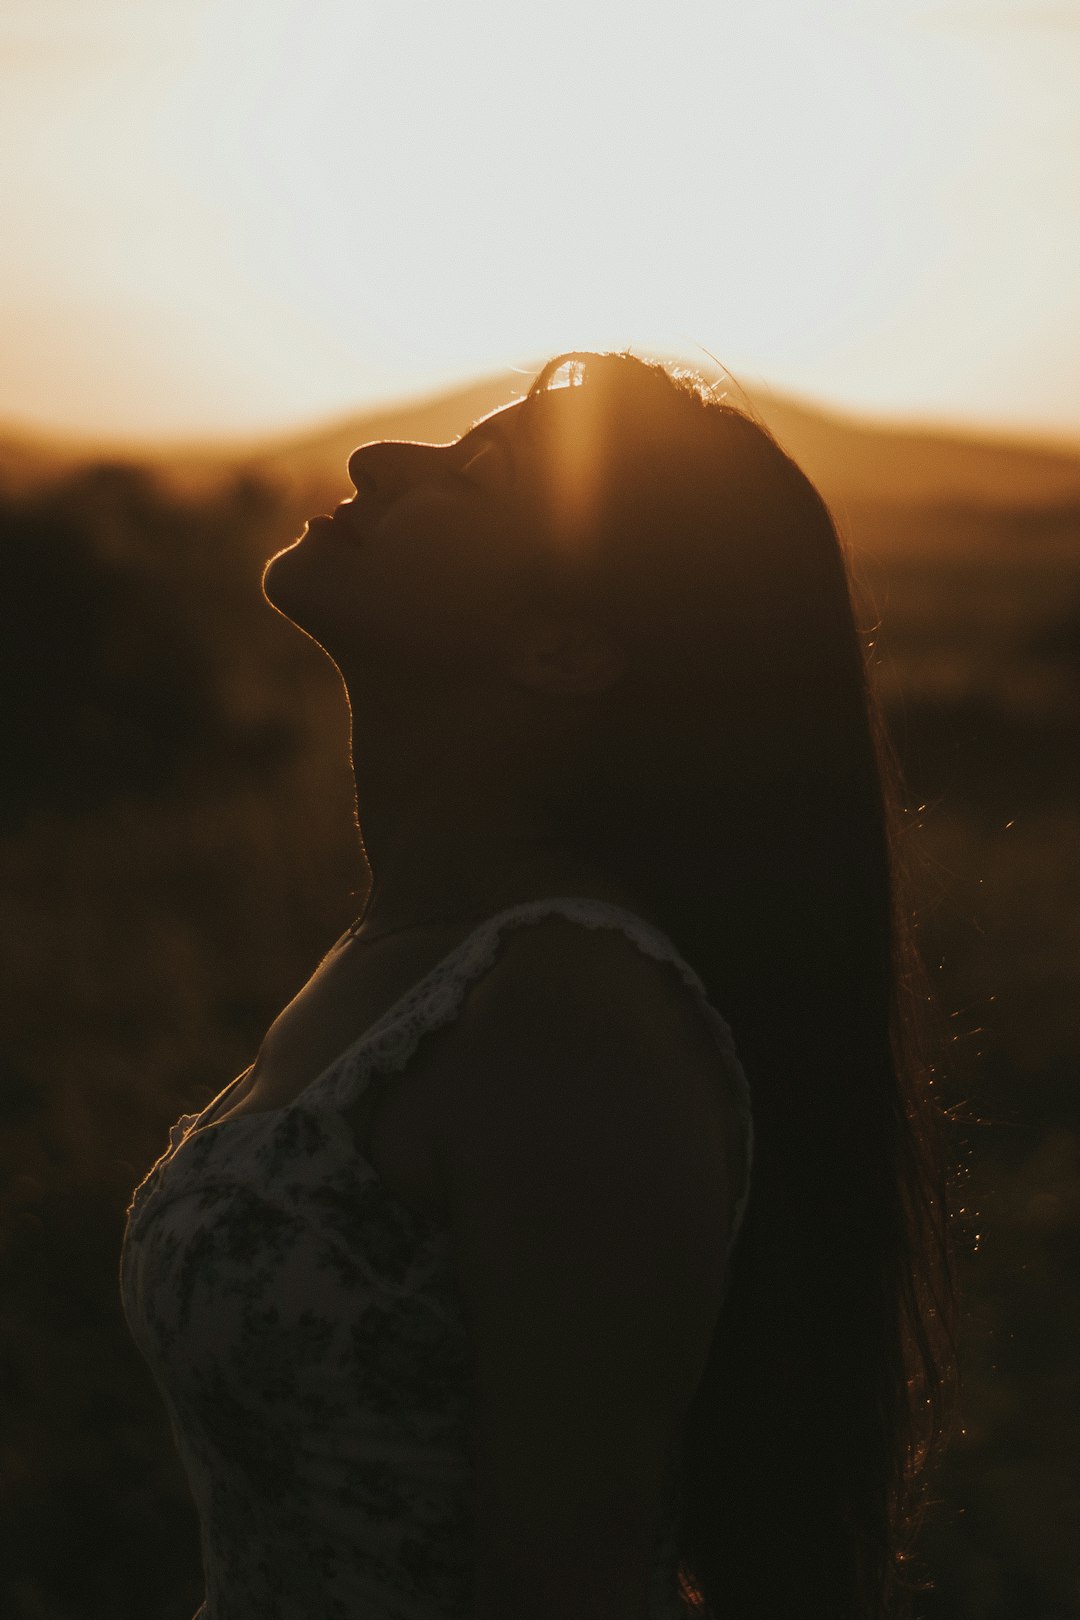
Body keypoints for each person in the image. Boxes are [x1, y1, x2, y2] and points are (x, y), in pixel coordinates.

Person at [120, 349, 959, 1619]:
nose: (376, 460)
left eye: (474, 474)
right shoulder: (414, 952)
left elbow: (569, 1581)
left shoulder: (565, 1016)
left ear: (566, 648)